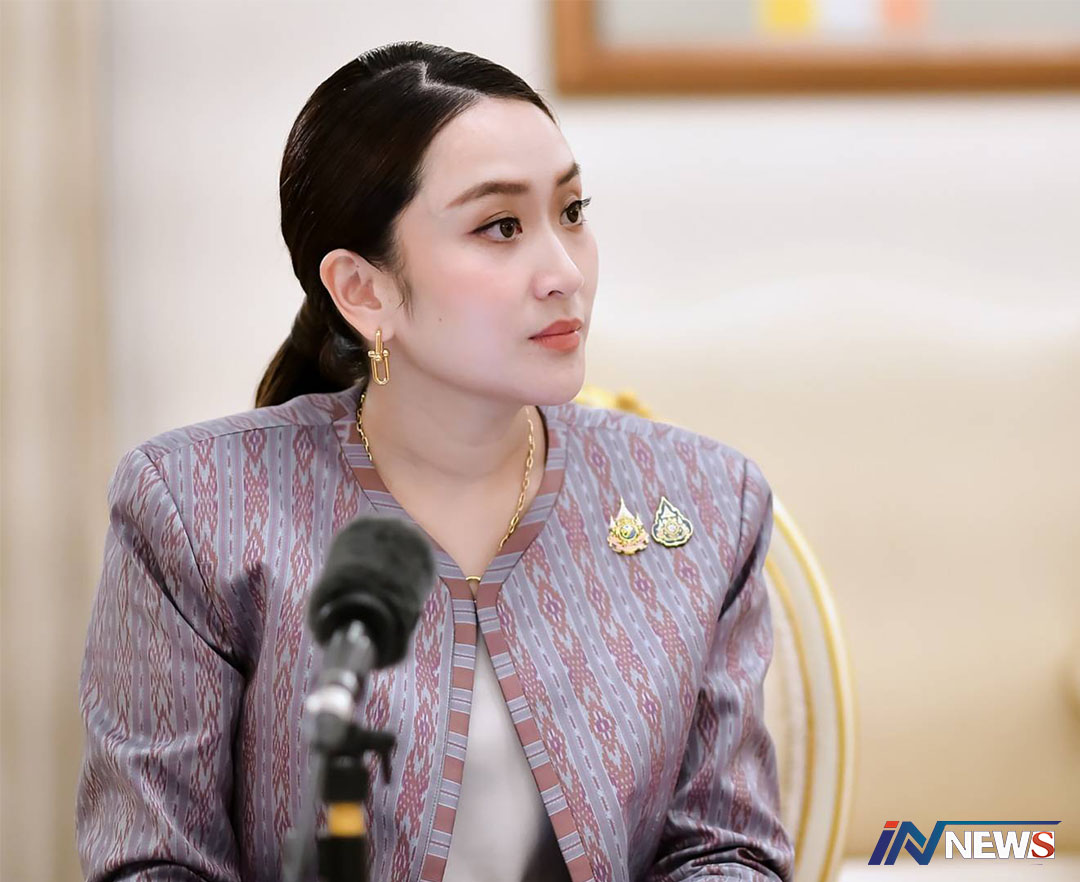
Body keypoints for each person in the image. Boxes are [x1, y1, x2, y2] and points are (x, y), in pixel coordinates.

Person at [76, 41, 795, 882]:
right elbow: (153, 863)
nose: (565, 272)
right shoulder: (196, 507)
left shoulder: (706, 501)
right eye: (501, 227)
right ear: (363, 290)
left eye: (572, 211)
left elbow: (724, 850)